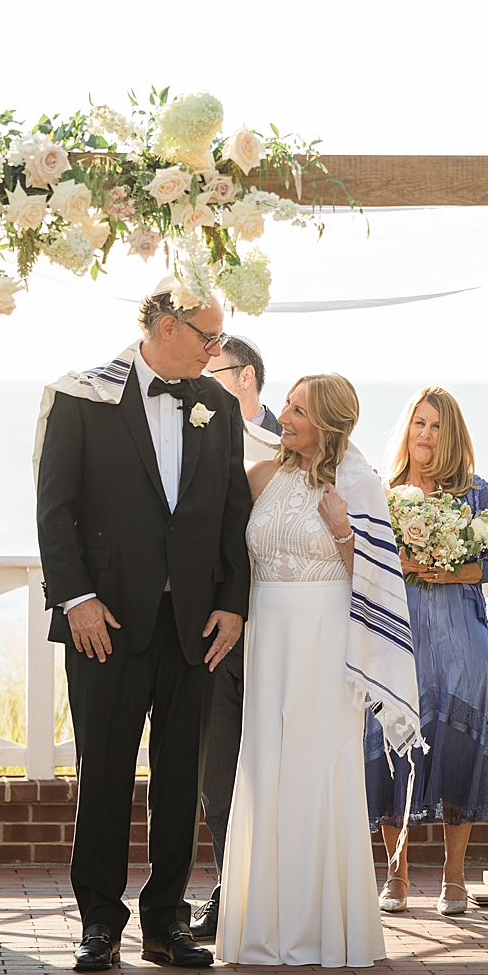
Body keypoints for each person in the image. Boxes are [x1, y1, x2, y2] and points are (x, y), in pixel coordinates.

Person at [35, 285, 251, 972]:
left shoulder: (218, 407)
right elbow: (54, 508)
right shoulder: (82, 397)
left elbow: (231, 517)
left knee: (181, 778)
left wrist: (234, 603)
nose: (216, 350)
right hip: (106, 622)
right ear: (165, 326)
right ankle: (99, 920)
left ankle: (166, 922)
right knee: (103, 772)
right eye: (206, 337)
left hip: (193, 626)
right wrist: (76, 598)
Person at [218, 374, 404, 967]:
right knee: (267, 763)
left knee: (318, 765)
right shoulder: (260, 478)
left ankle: (326, 927)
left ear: (328, 424)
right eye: (289, 407)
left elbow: (374, 580)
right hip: (267, 632)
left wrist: (342, 527)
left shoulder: (357, 485)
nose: (286, 418)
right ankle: (262, 926)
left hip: (326, 636)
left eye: (298, 411)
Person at [367, 387, 488, 917]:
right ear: (407, 428)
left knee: (459, 747)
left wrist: (451, 569)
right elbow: (361, 560)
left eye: (437, 426)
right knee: (386, 741)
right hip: (397, 637)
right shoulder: (381, 493)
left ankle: (454, 878)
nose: (425, 435)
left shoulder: (477, 494)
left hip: (460, 638)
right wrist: (399, 563)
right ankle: (396, 875)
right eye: (418, 423)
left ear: (453, 436)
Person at [191, 334, 275, 940]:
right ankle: (229, 887)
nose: (200, 373)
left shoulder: (295, 444)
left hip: (282, 635)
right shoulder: (193, 428)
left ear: (244, 376)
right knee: (215, 770)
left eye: (212, 366)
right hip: (216, 632)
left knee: (273, 769)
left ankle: (269, 890)